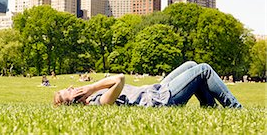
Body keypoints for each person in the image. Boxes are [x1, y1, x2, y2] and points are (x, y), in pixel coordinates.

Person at [53, 61, 242, 108]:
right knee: (203, 70)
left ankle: (209, 107)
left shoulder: (93, 96)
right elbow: (119, 79)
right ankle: (235, 108)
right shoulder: (98, 102)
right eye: (67, 92)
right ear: (73, 101)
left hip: (154, 89)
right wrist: (91, 87)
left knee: (191, 65)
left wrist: (90, 88)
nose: (70, 87)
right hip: (160, 99)